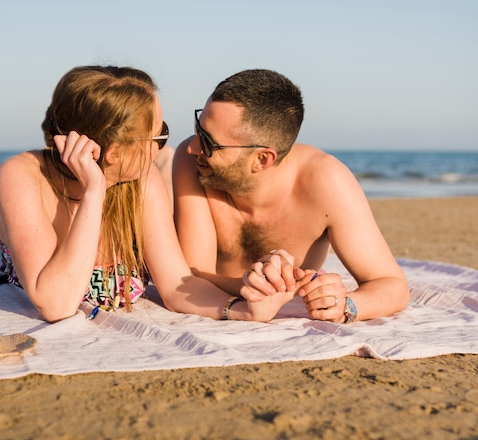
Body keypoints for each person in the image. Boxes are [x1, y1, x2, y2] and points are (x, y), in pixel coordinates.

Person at [0, 65, 286, 323]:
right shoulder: (21, 177)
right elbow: (56, 304)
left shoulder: (141, 180)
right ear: (115, 153)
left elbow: (177, 285)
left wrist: (240, 310)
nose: (161, 147)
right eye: (160, 136)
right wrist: (95, 190)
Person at [173, 69, 410, 323]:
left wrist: (346, 305)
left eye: (209, 141)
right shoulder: (193, 163)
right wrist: (261, 290)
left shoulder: (326, 183)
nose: (192, 146)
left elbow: (392, 285)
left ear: (262, 159)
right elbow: (190, 275)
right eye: (199, 127)